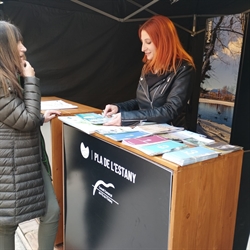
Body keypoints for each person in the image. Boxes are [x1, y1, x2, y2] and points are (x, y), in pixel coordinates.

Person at [0, 21, 61, 250]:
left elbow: (17, 115)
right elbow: (24, 119)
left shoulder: (7, 75)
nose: (23, 48)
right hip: (9, 164)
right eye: (18, 42)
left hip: (23, 159)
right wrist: (30, 80)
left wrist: (41, 117)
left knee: (51, 211)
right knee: (6, 225)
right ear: (4, 47)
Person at [103, 15, 195, 128]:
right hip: (146, 130)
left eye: (148, 42)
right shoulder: (147, 68)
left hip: (171, 135)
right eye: (142, 42)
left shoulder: (184, 68)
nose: (143, 48)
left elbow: (171, 110)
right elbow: (142, 102)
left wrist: (128, 117)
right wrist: (119, 107)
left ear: (163, 41)